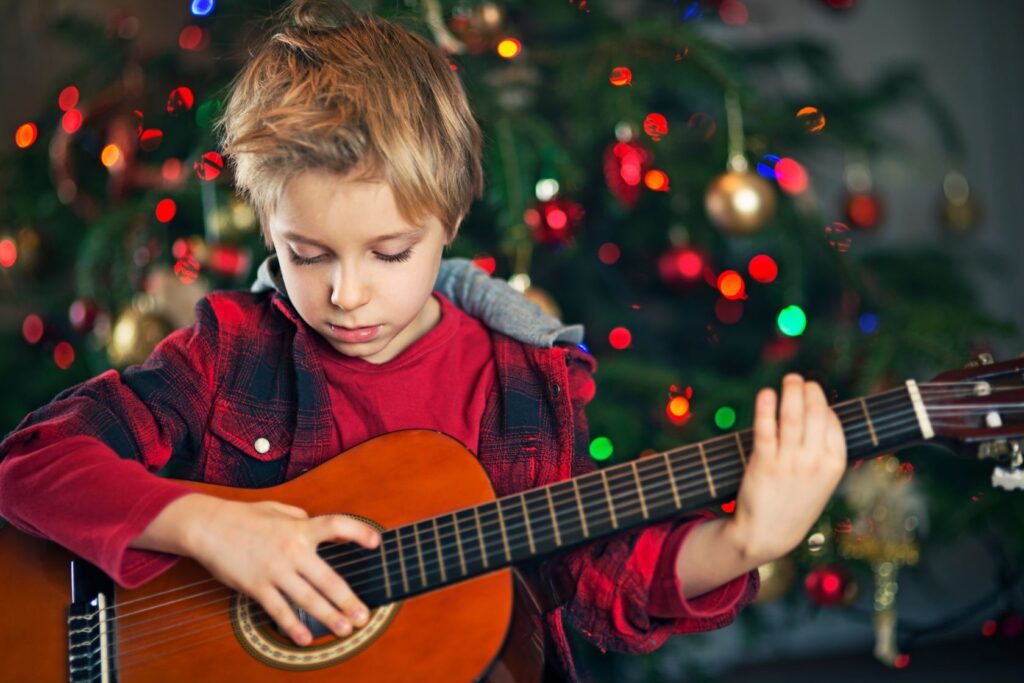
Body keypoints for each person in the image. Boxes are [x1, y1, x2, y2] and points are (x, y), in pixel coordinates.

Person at [0, 1, 847, 681]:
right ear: (267, 224)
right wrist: (212, 527)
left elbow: (594, 580)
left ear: (450, 221)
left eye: (391, 252)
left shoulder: (519, 383)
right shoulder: (232, 355)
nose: (346, 292)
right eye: (305, 253)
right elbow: (30, 464)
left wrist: (744, 543)